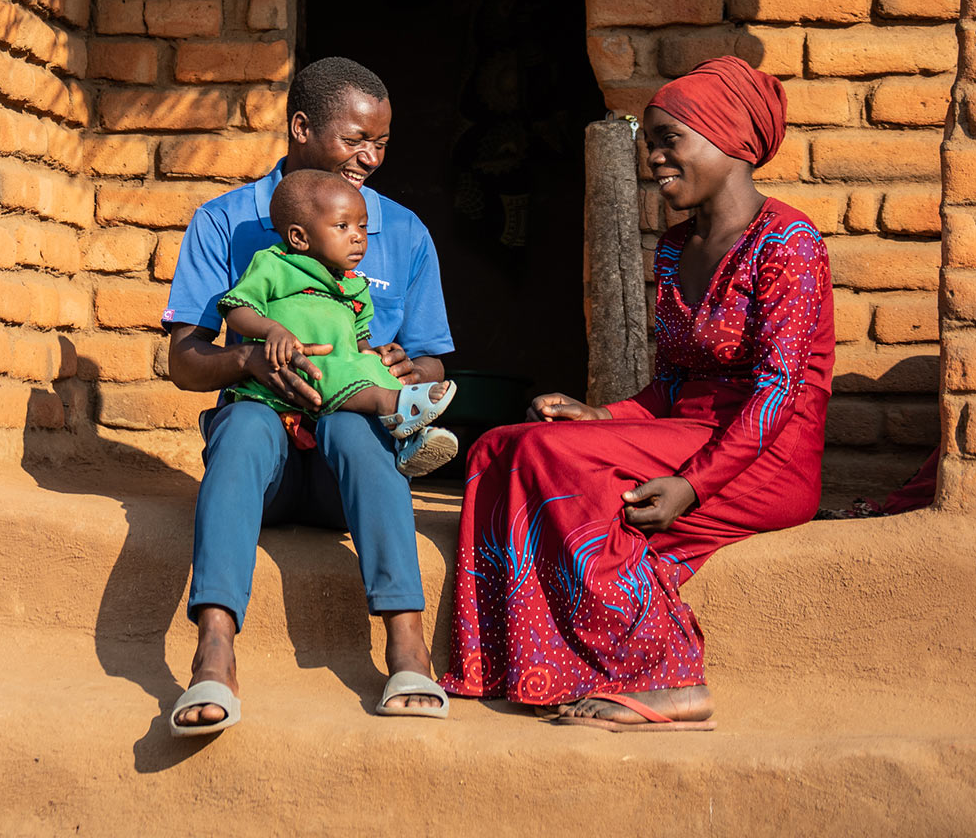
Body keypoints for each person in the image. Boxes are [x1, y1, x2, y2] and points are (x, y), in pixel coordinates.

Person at [439, 55, 832, 731]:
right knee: (503, 448)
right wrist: (601, 416)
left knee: (554, 463)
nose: (653, 158)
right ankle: (522, 665)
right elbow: (673, 386)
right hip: (689, 435)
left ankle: (670, 676)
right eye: (650, 143)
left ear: (730, 141)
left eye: (667, 140)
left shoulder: (788, 245)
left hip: (768, 459)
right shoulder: (677, 248)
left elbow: (778, 392)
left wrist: (691, 487)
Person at [161, 57, 456, 734]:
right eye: (356, 140)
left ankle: (407, 650)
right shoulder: (228, 223)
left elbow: (434, 357)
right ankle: (213, 655)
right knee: (240, 428)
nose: (369, 159)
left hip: (342, 472)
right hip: (261, 458)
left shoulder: (402, 232)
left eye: (380, 144)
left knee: (357, 429)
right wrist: (250, 359)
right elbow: (183, 360)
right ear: (300, 127)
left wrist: (411, 369)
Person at [219, 168, 458, 476]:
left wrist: (374, 356)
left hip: (340, 371)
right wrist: (271, 329)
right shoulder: (273, 265)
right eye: (343, 226)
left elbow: (359, 338)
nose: (358, 236)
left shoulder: (354, 287)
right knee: (333, 368)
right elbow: (236, 309)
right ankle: (395, 405)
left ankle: (410, 439)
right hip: (298, 369)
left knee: (371, 367)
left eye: (362, 226)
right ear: (299, 237)